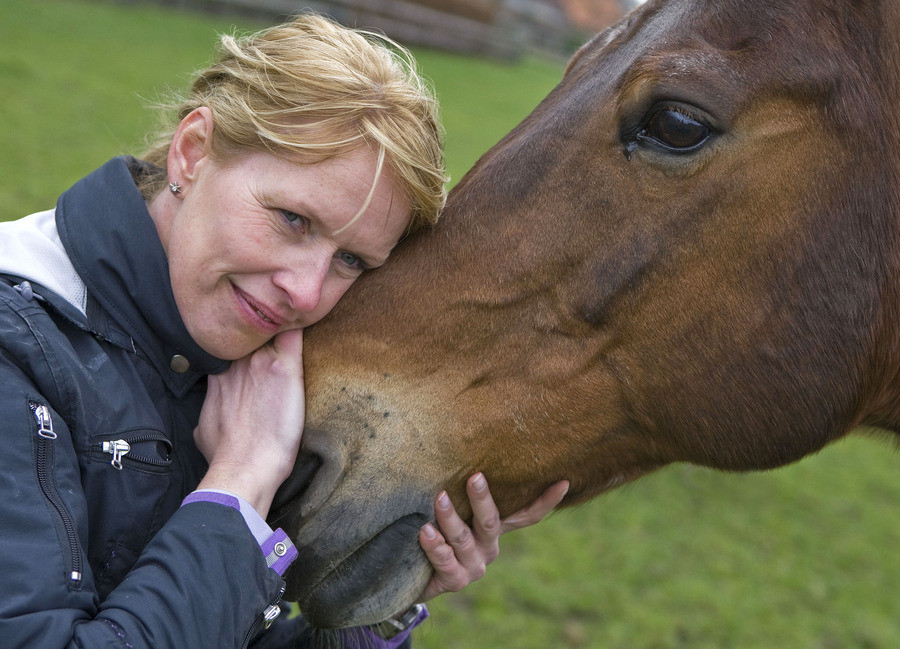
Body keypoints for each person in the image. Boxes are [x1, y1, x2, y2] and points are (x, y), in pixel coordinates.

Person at [0, 12, 569, 649]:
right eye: (293, 219)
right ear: (192, 152)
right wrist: (238, 486)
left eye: (351, 261)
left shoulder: (254, 371)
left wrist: (382, 605)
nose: (305, 291)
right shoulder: (16, 348)